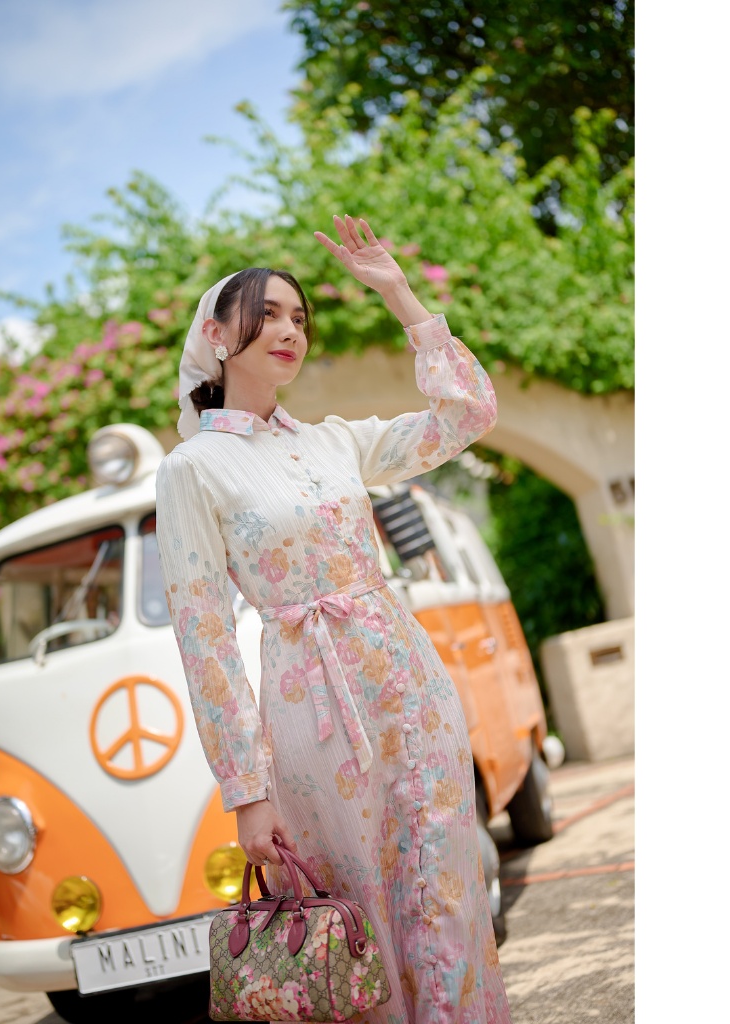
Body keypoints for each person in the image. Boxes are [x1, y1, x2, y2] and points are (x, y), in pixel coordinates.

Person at [155, 215, 512, 1023]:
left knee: (447, 890)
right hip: (313, 712)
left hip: (411, 687)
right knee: (359, 919)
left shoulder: (336, 443)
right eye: (268, 314)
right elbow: (204, 637)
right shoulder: (191, 469)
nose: (290, 330)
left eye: (299, 317)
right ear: (216, 335)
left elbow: (468, 416)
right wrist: (247, 791)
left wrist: (399, 293)